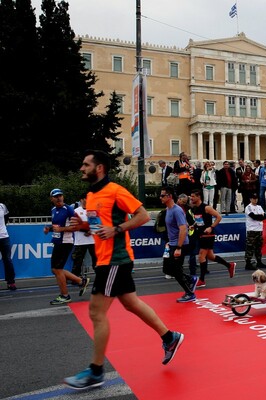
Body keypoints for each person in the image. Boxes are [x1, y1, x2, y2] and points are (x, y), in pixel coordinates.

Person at [64, 150, 184, 390]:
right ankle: (170, 337)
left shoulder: (116, 191)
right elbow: (100, 227)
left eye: (85, 164)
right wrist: (87, 226)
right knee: (130, 303)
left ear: (99, 168)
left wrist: (118, 229)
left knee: (97, 313)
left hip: (114, 260)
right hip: (106, 259)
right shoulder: (91, 194)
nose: (81, 168)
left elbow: (142, 217)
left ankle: (96, 371)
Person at [44, 189, 89, 305]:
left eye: (60, 196)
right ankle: (80, 281)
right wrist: (49, 228)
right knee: (55, 269)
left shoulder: (68, 209)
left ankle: (65, 295)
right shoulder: (54, 209)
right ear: (51, 199)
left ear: (63, 197)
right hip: (58, 241)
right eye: (56, 196)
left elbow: (77, 226)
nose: (59, 198)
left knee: (57, 269)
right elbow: (57, 226)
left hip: (66, 242)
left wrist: (61, 229)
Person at [188, 189, 236, 287]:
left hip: (208, 235)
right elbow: (199, 220)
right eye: (191, 196)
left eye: (193, 196)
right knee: (210, 256)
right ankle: (229, 265)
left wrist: (211, 227)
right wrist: (193, 225)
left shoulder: (207, 208)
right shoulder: (195, 208)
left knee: (201, 256)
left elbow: (219, 217)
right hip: (200, 234)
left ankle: (202, 280)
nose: (191, 198)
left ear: (198, 197)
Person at [160, 187, 199, 303]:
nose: (160, 197)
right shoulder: (168, 209)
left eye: (163, 195)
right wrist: (169, 242)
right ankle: (191, 279)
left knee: (176, 271)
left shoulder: (177, 210)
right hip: (172, 243)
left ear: (169, 196)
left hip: (179, 244)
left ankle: (189, 293)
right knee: (168, 269)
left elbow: (183, 229)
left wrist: (179, 248)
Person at [71, 194, 97, 277]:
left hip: (92, 240)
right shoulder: (76, 211)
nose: (86, 200)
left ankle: (100, 276)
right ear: (81, 200)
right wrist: (85, 230)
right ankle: (75, 277)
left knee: (96, 259)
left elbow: (95, 223)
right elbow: (75, 224)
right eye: (85, 199)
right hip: (80, 241)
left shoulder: (92, 211)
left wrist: (90, 231)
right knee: (78, 260)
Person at [244, 193, 266, 270]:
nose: (255, 200)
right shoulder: (248, 207)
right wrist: (259, 217)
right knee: (250, 247)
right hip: (251, 230)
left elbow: (264, 217)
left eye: (256, 198)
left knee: (258, 247)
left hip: (259, 230)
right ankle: (248, 263)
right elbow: (253, 216)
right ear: (250, 199)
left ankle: (259, 261)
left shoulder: (259, 207)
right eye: (254, 198)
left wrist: (259, 217)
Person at [0, 201, 17, 291]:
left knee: (8, 260)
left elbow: (6, 218)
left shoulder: (2, 206)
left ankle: (11, 282)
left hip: (4, 236)